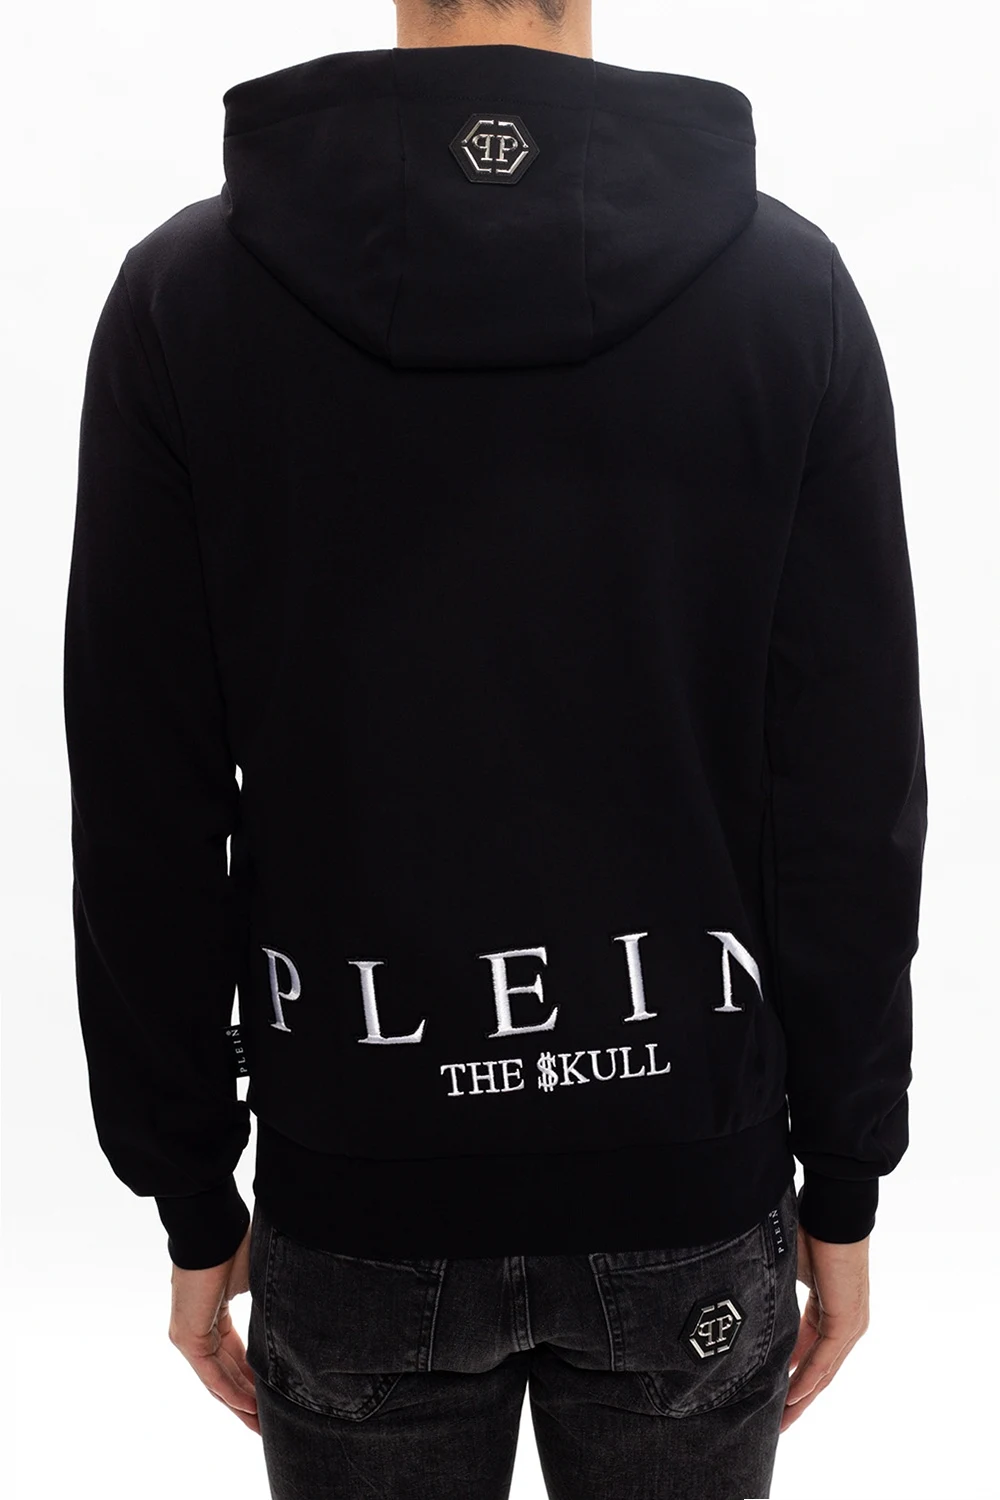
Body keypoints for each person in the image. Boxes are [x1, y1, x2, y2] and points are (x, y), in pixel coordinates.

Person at [61, 1, 928, 1495]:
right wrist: (842, 1180)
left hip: (358, 1188)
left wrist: (192, 1192)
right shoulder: (788, 292)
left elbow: (142, 793)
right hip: (684, 1180)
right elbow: (848, 788)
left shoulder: (182, 301)